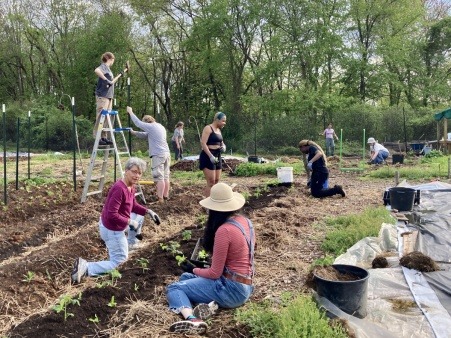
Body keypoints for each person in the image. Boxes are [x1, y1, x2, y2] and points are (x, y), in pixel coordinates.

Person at [166, 182, 255, 334]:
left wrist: (193, 268)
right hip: (246, 286)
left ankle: (192, 320)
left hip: (231, 289)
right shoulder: (245, 222)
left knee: (174, 288)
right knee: (185, 277)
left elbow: (215, 273)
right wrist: (192, 272)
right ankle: (211, 306)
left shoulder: (224, 230)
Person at [71, 157, 161, 284]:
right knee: (119, 262)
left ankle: (130, 244)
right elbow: (111, 214)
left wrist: (148, 211)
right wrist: (130, 222)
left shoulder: (131, 187)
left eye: (139, 173)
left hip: (114, 226)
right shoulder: (120, 189)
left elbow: (133, 205)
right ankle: (86, 267)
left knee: (139, 216)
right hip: (112, 229)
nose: (137, 175)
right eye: (134, 171)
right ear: (126, 171)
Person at [127, 106, 171, 203]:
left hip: (158, 155)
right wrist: (134, 133)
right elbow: (146, 135)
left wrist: (131, 112)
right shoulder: (160, 126)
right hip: (166, 153)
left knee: (159, 177)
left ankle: (160, 199)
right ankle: (165, 196)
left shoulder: (151, 126)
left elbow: (138, 123)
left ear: (147, 122)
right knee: (166, 176)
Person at [94, 52, 120, 145]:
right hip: (103, 95)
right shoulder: (104, 66)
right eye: (113, 60)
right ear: (110, 59)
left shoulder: (108, 69)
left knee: (106, 118)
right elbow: (97, 70)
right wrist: (105, 80)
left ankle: (104, 137)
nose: (113, 62)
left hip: (109, 96)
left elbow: (111, 82)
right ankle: (98, 136)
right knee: (101, 116)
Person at [199, 112, 227, 197]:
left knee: (216, 181)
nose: (224, 123)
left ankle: (214, 202)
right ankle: (208, 206)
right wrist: (210, 156)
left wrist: (223, 146)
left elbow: (221, 142)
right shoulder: (208, 128)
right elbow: (203, 143)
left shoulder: (219, 130)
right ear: (217, 120)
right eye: (223, 121)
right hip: (208, 156)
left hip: (217, 156)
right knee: (211, 182)